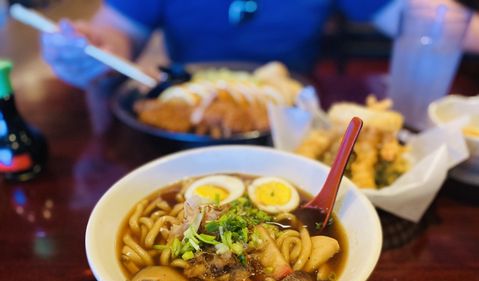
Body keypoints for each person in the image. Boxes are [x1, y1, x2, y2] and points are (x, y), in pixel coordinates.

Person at [41, 0, 479, 89]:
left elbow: (421, 14)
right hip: (180, 122)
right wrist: (87, 48)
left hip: (291, 120)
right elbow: (116, 34)